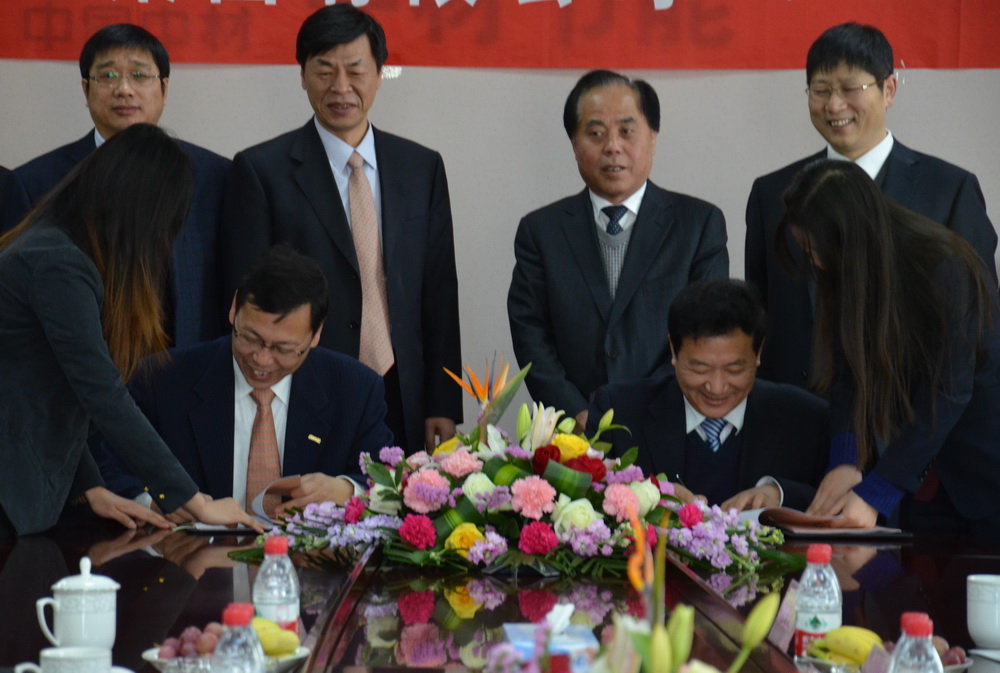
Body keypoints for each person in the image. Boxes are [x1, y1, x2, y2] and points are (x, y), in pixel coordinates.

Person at [219, 5, 461, 454]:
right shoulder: (260, 170)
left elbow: (440, 292)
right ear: (303, 75)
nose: (341, 87)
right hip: (309, 383)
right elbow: (246, 300)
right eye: (325, 70)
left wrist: (443, 401)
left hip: (403, 387)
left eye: (355, 70)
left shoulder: (421, 167)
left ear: (380, 73)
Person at [0, 124, 262, 538]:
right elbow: (100, 391)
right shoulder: (57, 263)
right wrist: (195, 501)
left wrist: (89, 487)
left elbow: (59, 387)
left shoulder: (56, 247)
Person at [745, 22, 997, 388]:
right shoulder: (772, 194)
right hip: (797, 408)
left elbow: (981, 326)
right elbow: (759, 317)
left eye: (850, 89)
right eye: (821, 90)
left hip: (912, 409)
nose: (834, 105)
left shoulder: (949, 190)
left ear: (888, 89)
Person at [779, 159, 1000, 535]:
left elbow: (948, 392)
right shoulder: (849, 273)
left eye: (816, 248)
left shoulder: (946, 267)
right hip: (916, 479)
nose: (815, 261)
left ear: (850, 235)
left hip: (981, 472)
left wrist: (878, 491)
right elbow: (847, 375)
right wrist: (846, 460)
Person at [98, 245, 394, 519]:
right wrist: (155, 504)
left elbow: (392, 484)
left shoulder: (354, 390)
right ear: (234, 308)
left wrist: (346, 490)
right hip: (194, 555)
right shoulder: (164, 379)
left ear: (315, 335)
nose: (262, 360)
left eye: (283, 349)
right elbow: (109, 467)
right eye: (251, 338)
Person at [509, 69, 728, 431]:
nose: (612, 146)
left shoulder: (698, 225)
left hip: (670, 423)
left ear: (652, 138)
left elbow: (703, 333)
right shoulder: (541, 232)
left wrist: (644, 409)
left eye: (627, 131)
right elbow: (530, 333)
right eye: (596, 133)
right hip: (572, 434)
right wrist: (575, 412)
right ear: (574, 143)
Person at [0, 23, 230, 347]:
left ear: (164, 89)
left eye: (139, 75)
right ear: (86, 90)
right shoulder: (34, 182)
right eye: (107, 76)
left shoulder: (216, 175)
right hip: (78, 362)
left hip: (188, 360)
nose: (124, 89)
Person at [587, 279, 828, 511]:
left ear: (758, 352)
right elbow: (589, 498)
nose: (716, 387)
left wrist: (780, 493)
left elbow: (836, 502)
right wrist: (646, 495)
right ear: (673, 350)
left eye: (734, 369)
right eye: (700, 369)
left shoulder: (806, 418)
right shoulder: (619, 410)